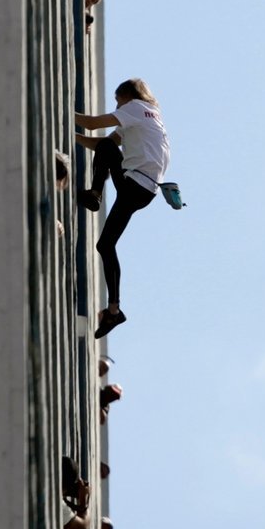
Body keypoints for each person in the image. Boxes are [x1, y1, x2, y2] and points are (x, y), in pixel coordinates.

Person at [75, 79, 170, 338]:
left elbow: (93, 124)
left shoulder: (135, 108)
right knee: (105, 245)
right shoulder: (152, 116)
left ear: (127, 96)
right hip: (143, 190)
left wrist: (63, 115)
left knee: (106, 245)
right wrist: (74, 137)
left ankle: (95, 194)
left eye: (118, 101)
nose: (117, 106)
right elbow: (102, 145)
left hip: (134, 183)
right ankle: (114, 310)